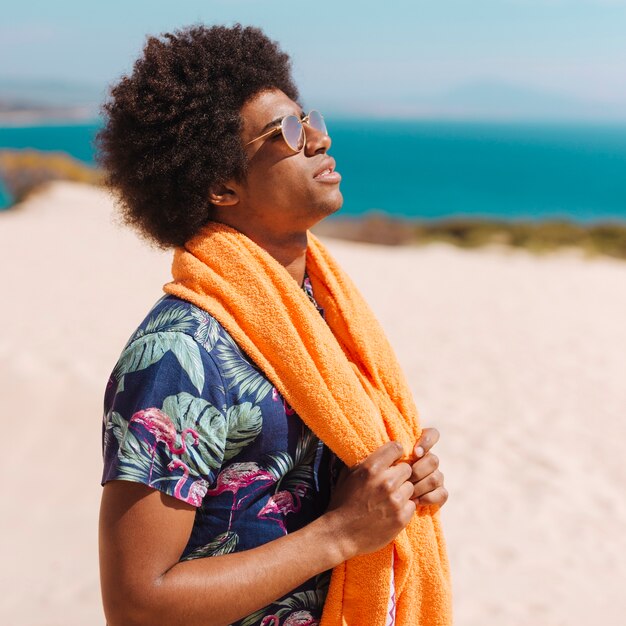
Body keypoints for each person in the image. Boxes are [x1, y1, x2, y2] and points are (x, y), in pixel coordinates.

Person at [98, 24, 450, 626]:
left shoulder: (325, 316)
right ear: (220, 185)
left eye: (308, 118)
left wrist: (401, 490)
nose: (320, 138)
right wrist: (342, 532)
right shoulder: (178, 355)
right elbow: (137, 604)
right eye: (287, 131)